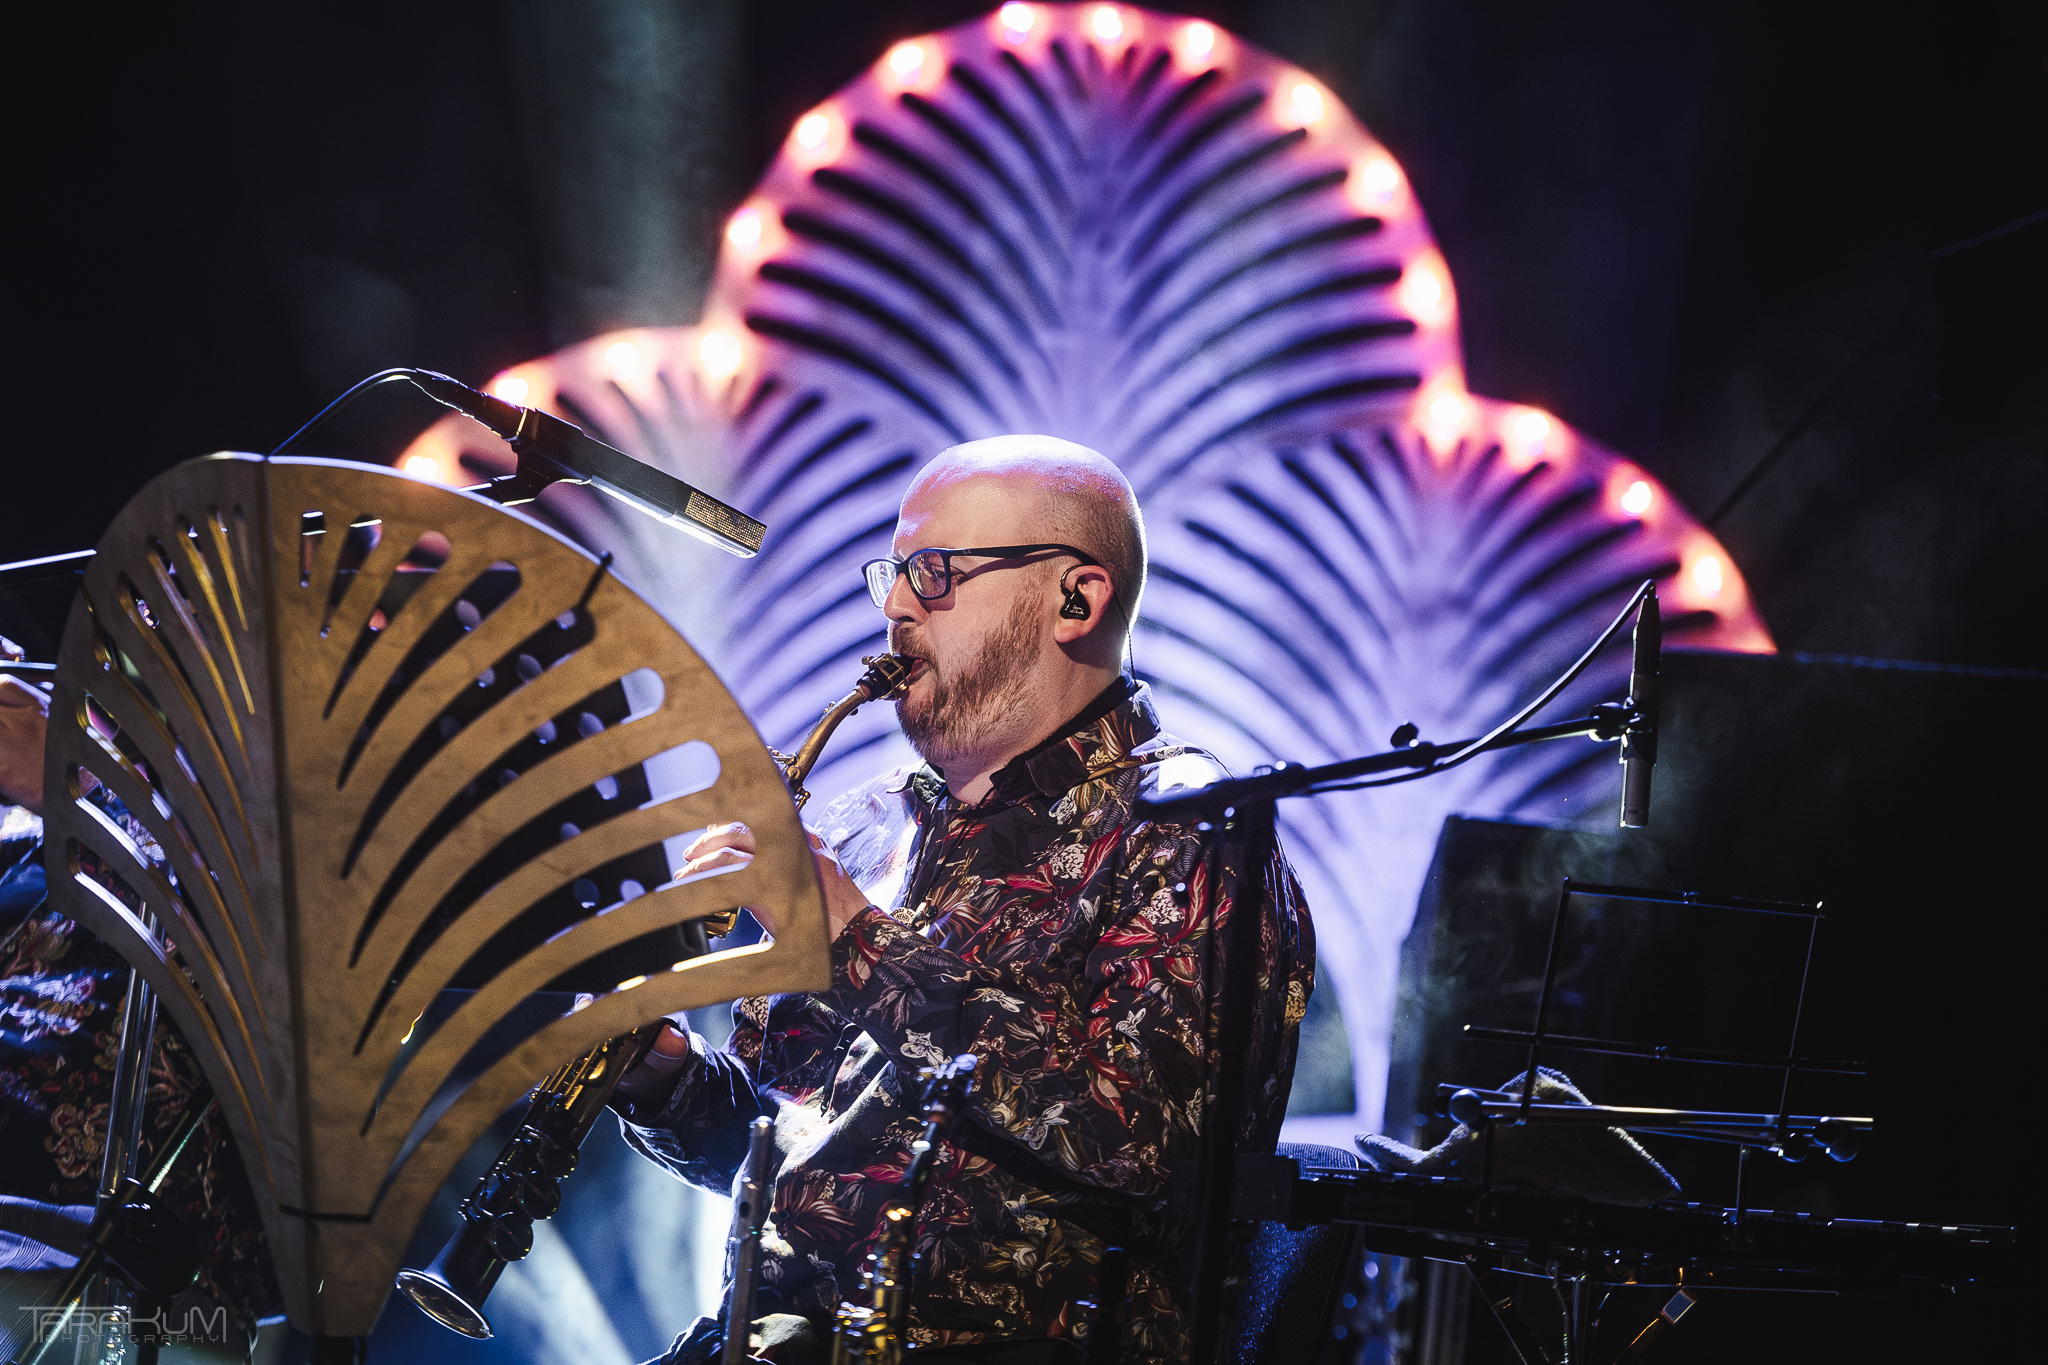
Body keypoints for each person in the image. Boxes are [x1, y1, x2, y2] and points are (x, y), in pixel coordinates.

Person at [610, 436, 1316, 1364]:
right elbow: (789, 1156)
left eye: (934, 572)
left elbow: (1144, 1145)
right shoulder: (870, 826)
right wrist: (665, 1080)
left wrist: (852, 937)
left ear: (1076, 598)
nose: (896, 606)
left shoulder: (1190, 830)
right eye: (895, 573)